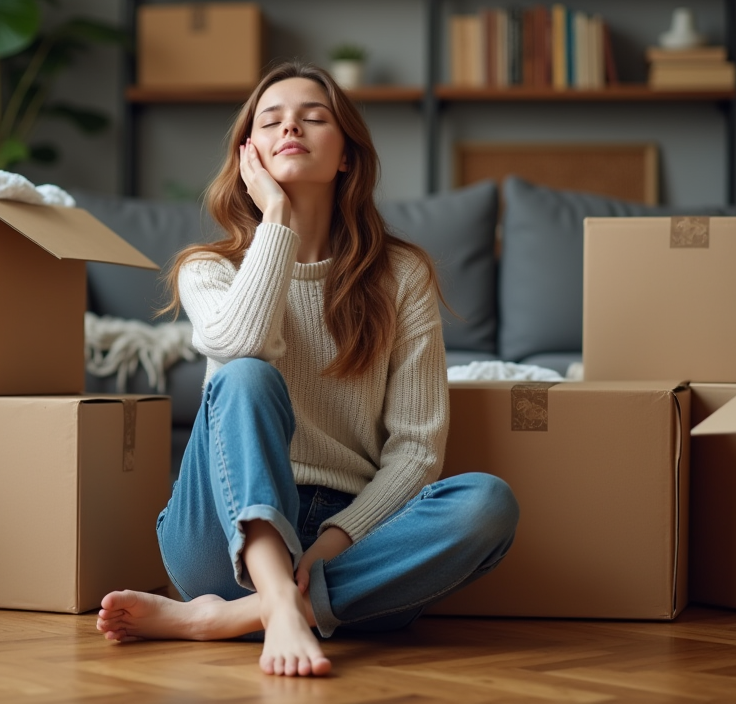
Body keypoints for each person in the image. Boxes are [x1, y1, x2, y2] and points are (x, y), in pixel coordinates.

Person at [95, 61, 519, 677]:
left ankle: (232, 617)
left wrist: (330, 543)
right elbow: (243, 340)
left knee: (488, 504)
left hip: (349, 539)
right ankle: (282, 607)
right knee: (244, 374)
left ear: (347, 154)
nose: (291, 126)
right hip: (219, 533)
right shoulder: (208, 269)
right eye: (271, 120)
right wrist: (276, 220)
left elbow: (417, 450)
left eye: (314, 118)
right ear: (251, 155)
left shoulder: (403, 277)